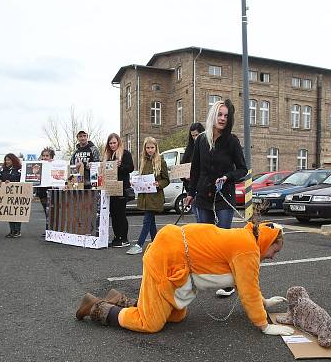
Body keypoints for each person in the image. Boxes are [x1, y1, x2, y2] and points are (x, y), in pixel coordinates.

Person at [76, 221, 291, 335]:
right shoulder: (248, 250)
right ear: (268, 241)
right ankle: (96, 307)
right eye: (275, 250)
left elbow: (249, 285)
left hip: (175, 255)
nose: (273, 257)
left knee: (177, 316)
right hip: (168, 258)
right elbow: (248, 291)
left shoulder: (247, 242)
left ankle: (122, 300)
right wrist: (264, 326)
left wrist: (264, 302)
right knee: (149, 324)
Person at [186, 99, 247, 296]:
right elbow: (195, 169)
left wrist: (228, 176)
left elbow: (242, 169)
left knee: (223, 240)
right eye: (219, 114)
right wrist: (190, 192)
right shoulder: (202, 140)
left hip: (224, 195)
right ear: (213, 115)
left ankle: (228, 282)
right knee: (205, 239)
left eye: (226, 116)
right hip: (203, 196)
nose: (222, 118)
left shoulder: (232, 141)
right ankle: (208, 275)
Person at [126, 137, 169, 255]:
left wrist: (158, 184)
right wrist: (135, 182)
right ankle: (156, 244)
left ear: (156, 148)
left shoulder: (161, 161)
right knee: (151, 221)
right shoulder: (143, 162)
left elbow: (166, 180)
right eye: (148, 147)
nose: (150, 150)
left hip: (155, 197)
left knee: (147, 220)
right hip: (145, 196)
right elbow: (141, 179)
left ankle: (139, 244)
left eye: (152, 147)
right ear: (144, 148)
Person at [103, 133, 134, 248]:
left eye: (114, 143)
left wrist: (121, 165)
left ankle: (124, 238)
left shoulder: (125, 153)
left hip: (121, 188)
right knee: (114, 214)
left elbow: (131, 168)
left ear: (118, 142)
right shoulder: (107, 155)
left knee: (121, 214)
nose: (112, 145)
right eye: (110, 143)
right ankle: (117, 237)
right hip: (111, 188)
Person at [181, 122, 205, 222]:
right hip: (191, 188)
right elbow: (181, 169)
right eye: (193, 136)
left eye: (197, 135)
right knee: (197, 216)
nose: (195, 138)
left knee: (203, 218)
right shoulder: (189, 150)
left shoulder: (206, 148)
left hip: (202, 188)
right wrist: (184, 176)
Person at [0, 153, 23, 238]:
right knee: (9, 212)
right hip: (6, 195)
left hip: (17, 194)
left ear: (13, 160)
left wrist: (11, 181)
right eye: (6, 160)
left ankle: (17, 231)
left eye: (8, 160)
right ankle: (12, 230)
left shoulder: (19, 169)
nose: (6, 161)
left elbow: (21, 179)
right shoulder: (3, 169)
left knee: (16, 212)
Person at [36, 147, 56, 236]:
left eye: (47, 156)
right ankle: (48, 230)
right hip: (42, 192)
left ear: (51, 157)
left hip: (53, 191)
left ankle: (54, 230)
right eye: (43, 156)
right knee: (46, 211)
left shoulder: (55, 165)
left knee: (53, 211)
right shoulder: (38, 166)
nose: (45, 157)